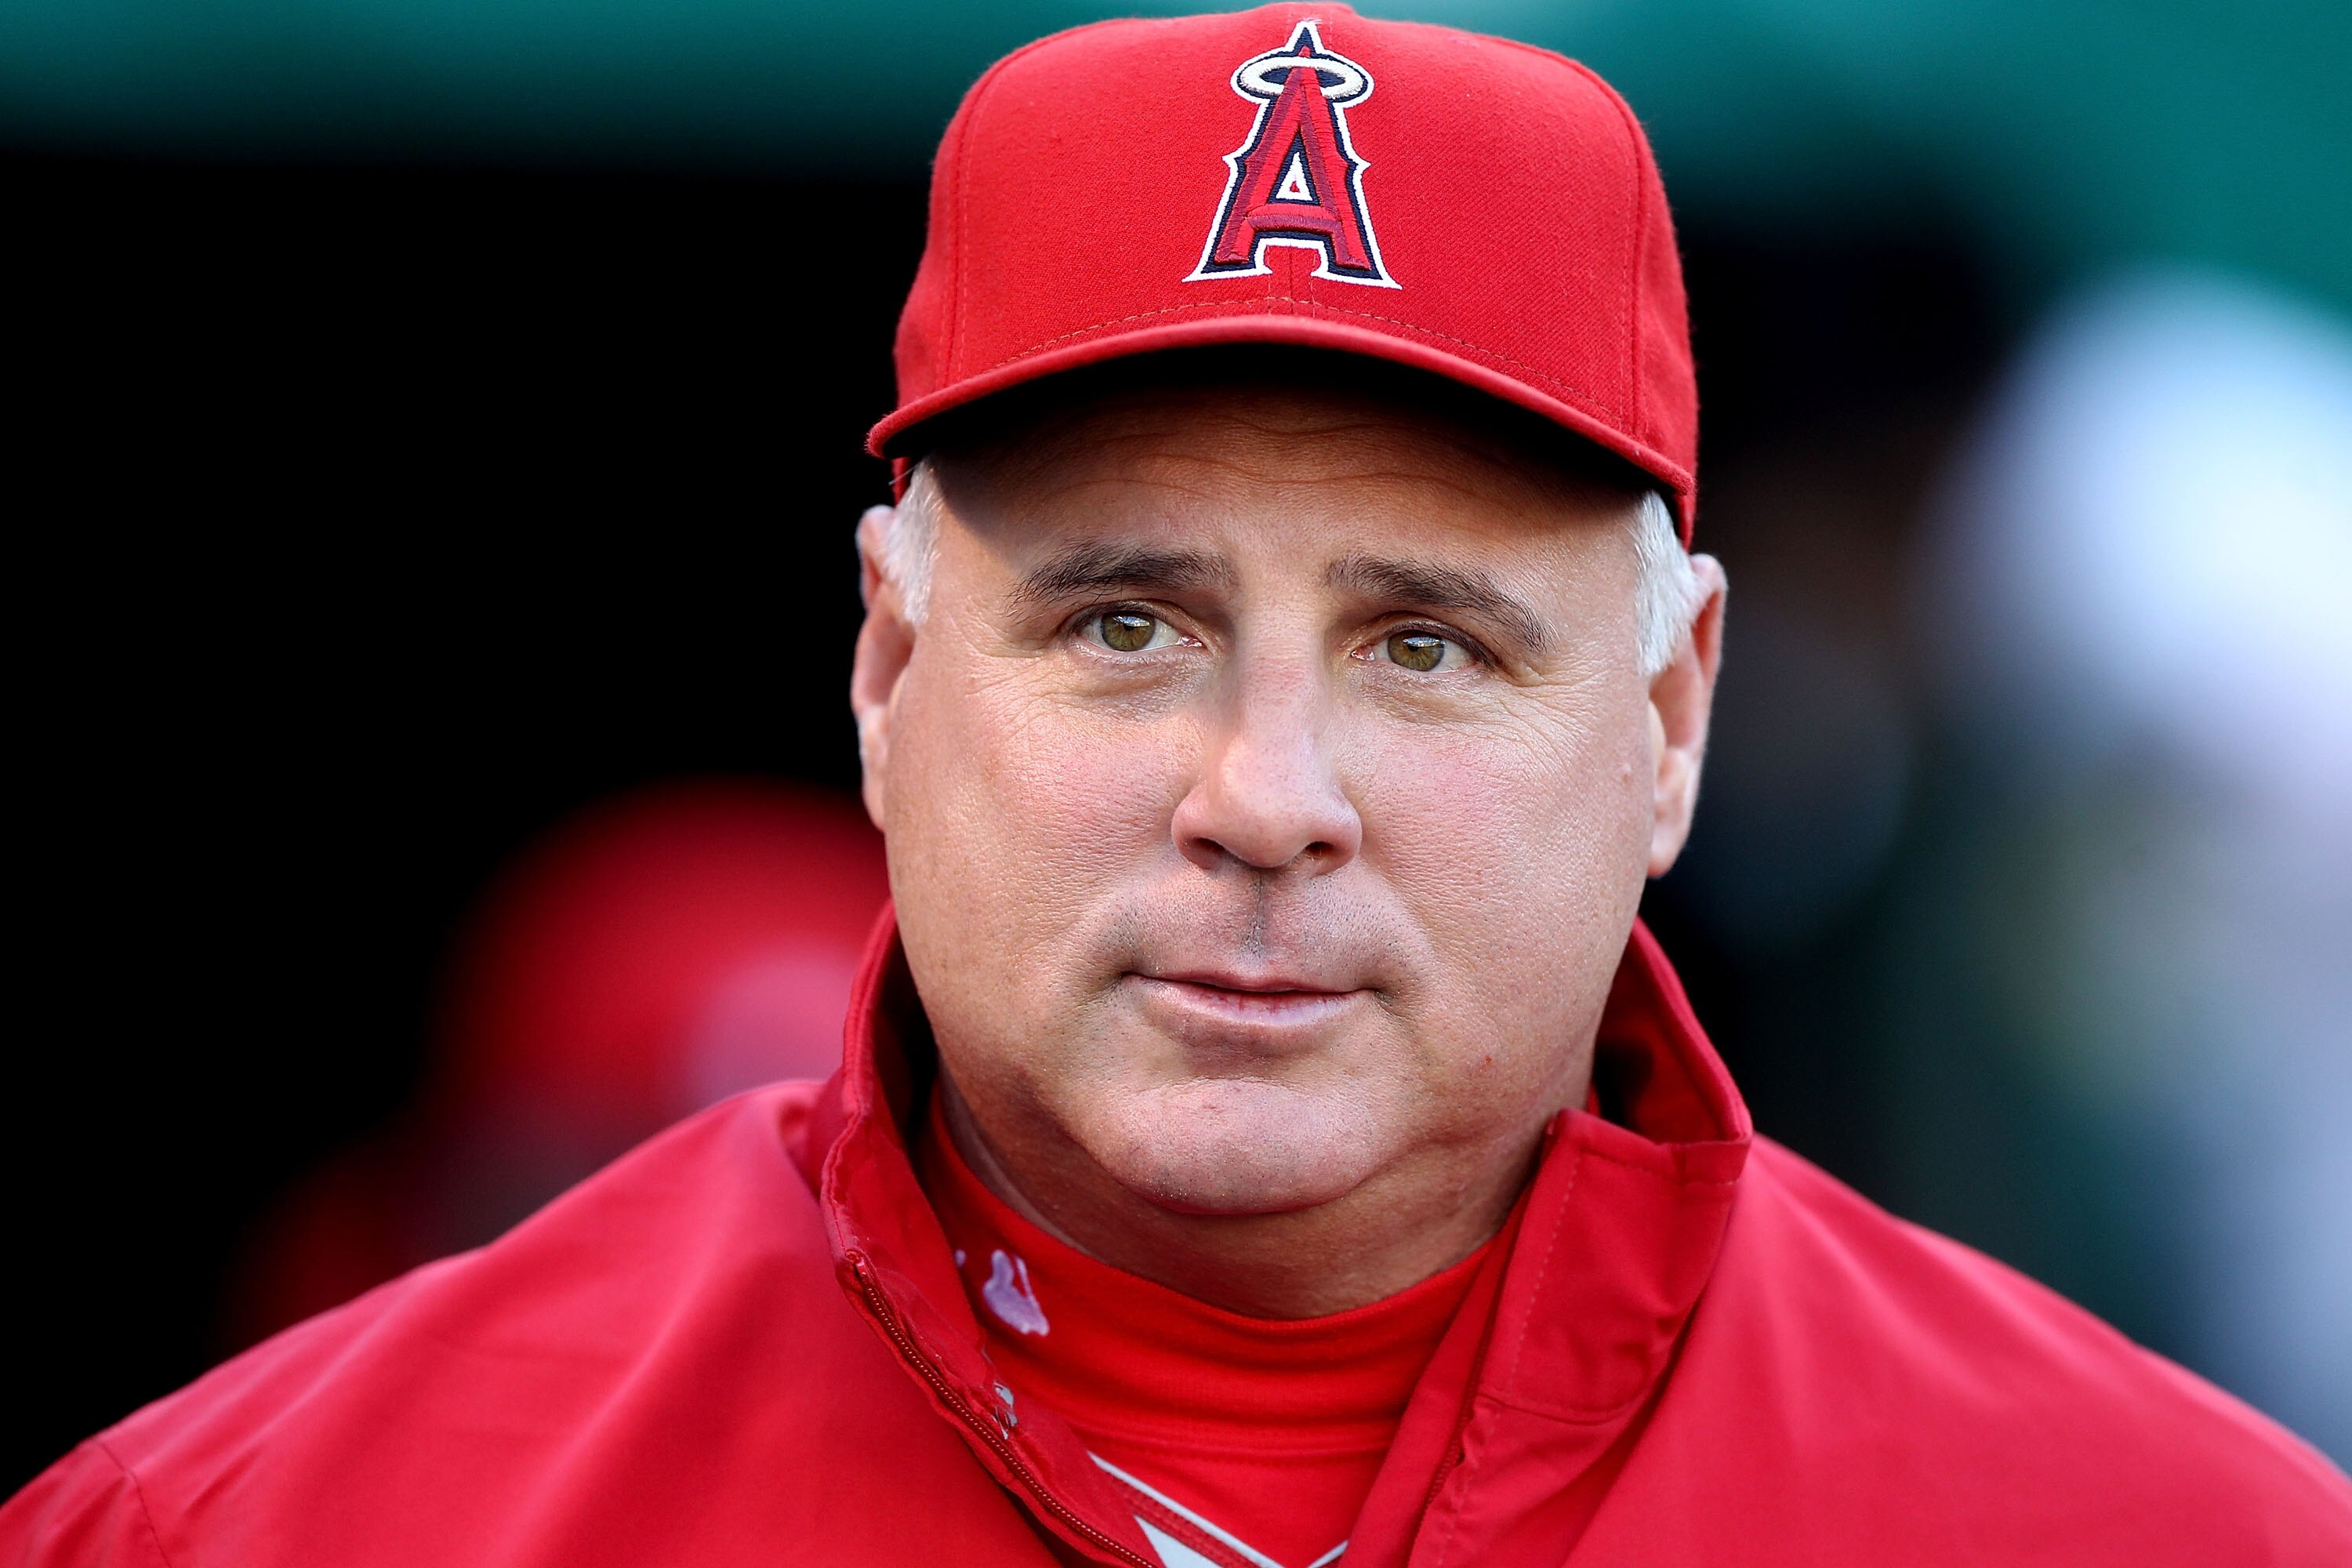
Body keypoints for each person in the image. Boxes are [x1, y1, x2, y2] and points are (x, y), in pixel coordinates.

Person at [6, 5, 2347, 1564]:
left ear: (1669, 727)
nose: (1265, 793)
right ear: (890, 662)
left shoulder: (2152, 1534)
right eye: (1127, 626)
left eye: (1428, 647)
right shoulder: (275, 1523)